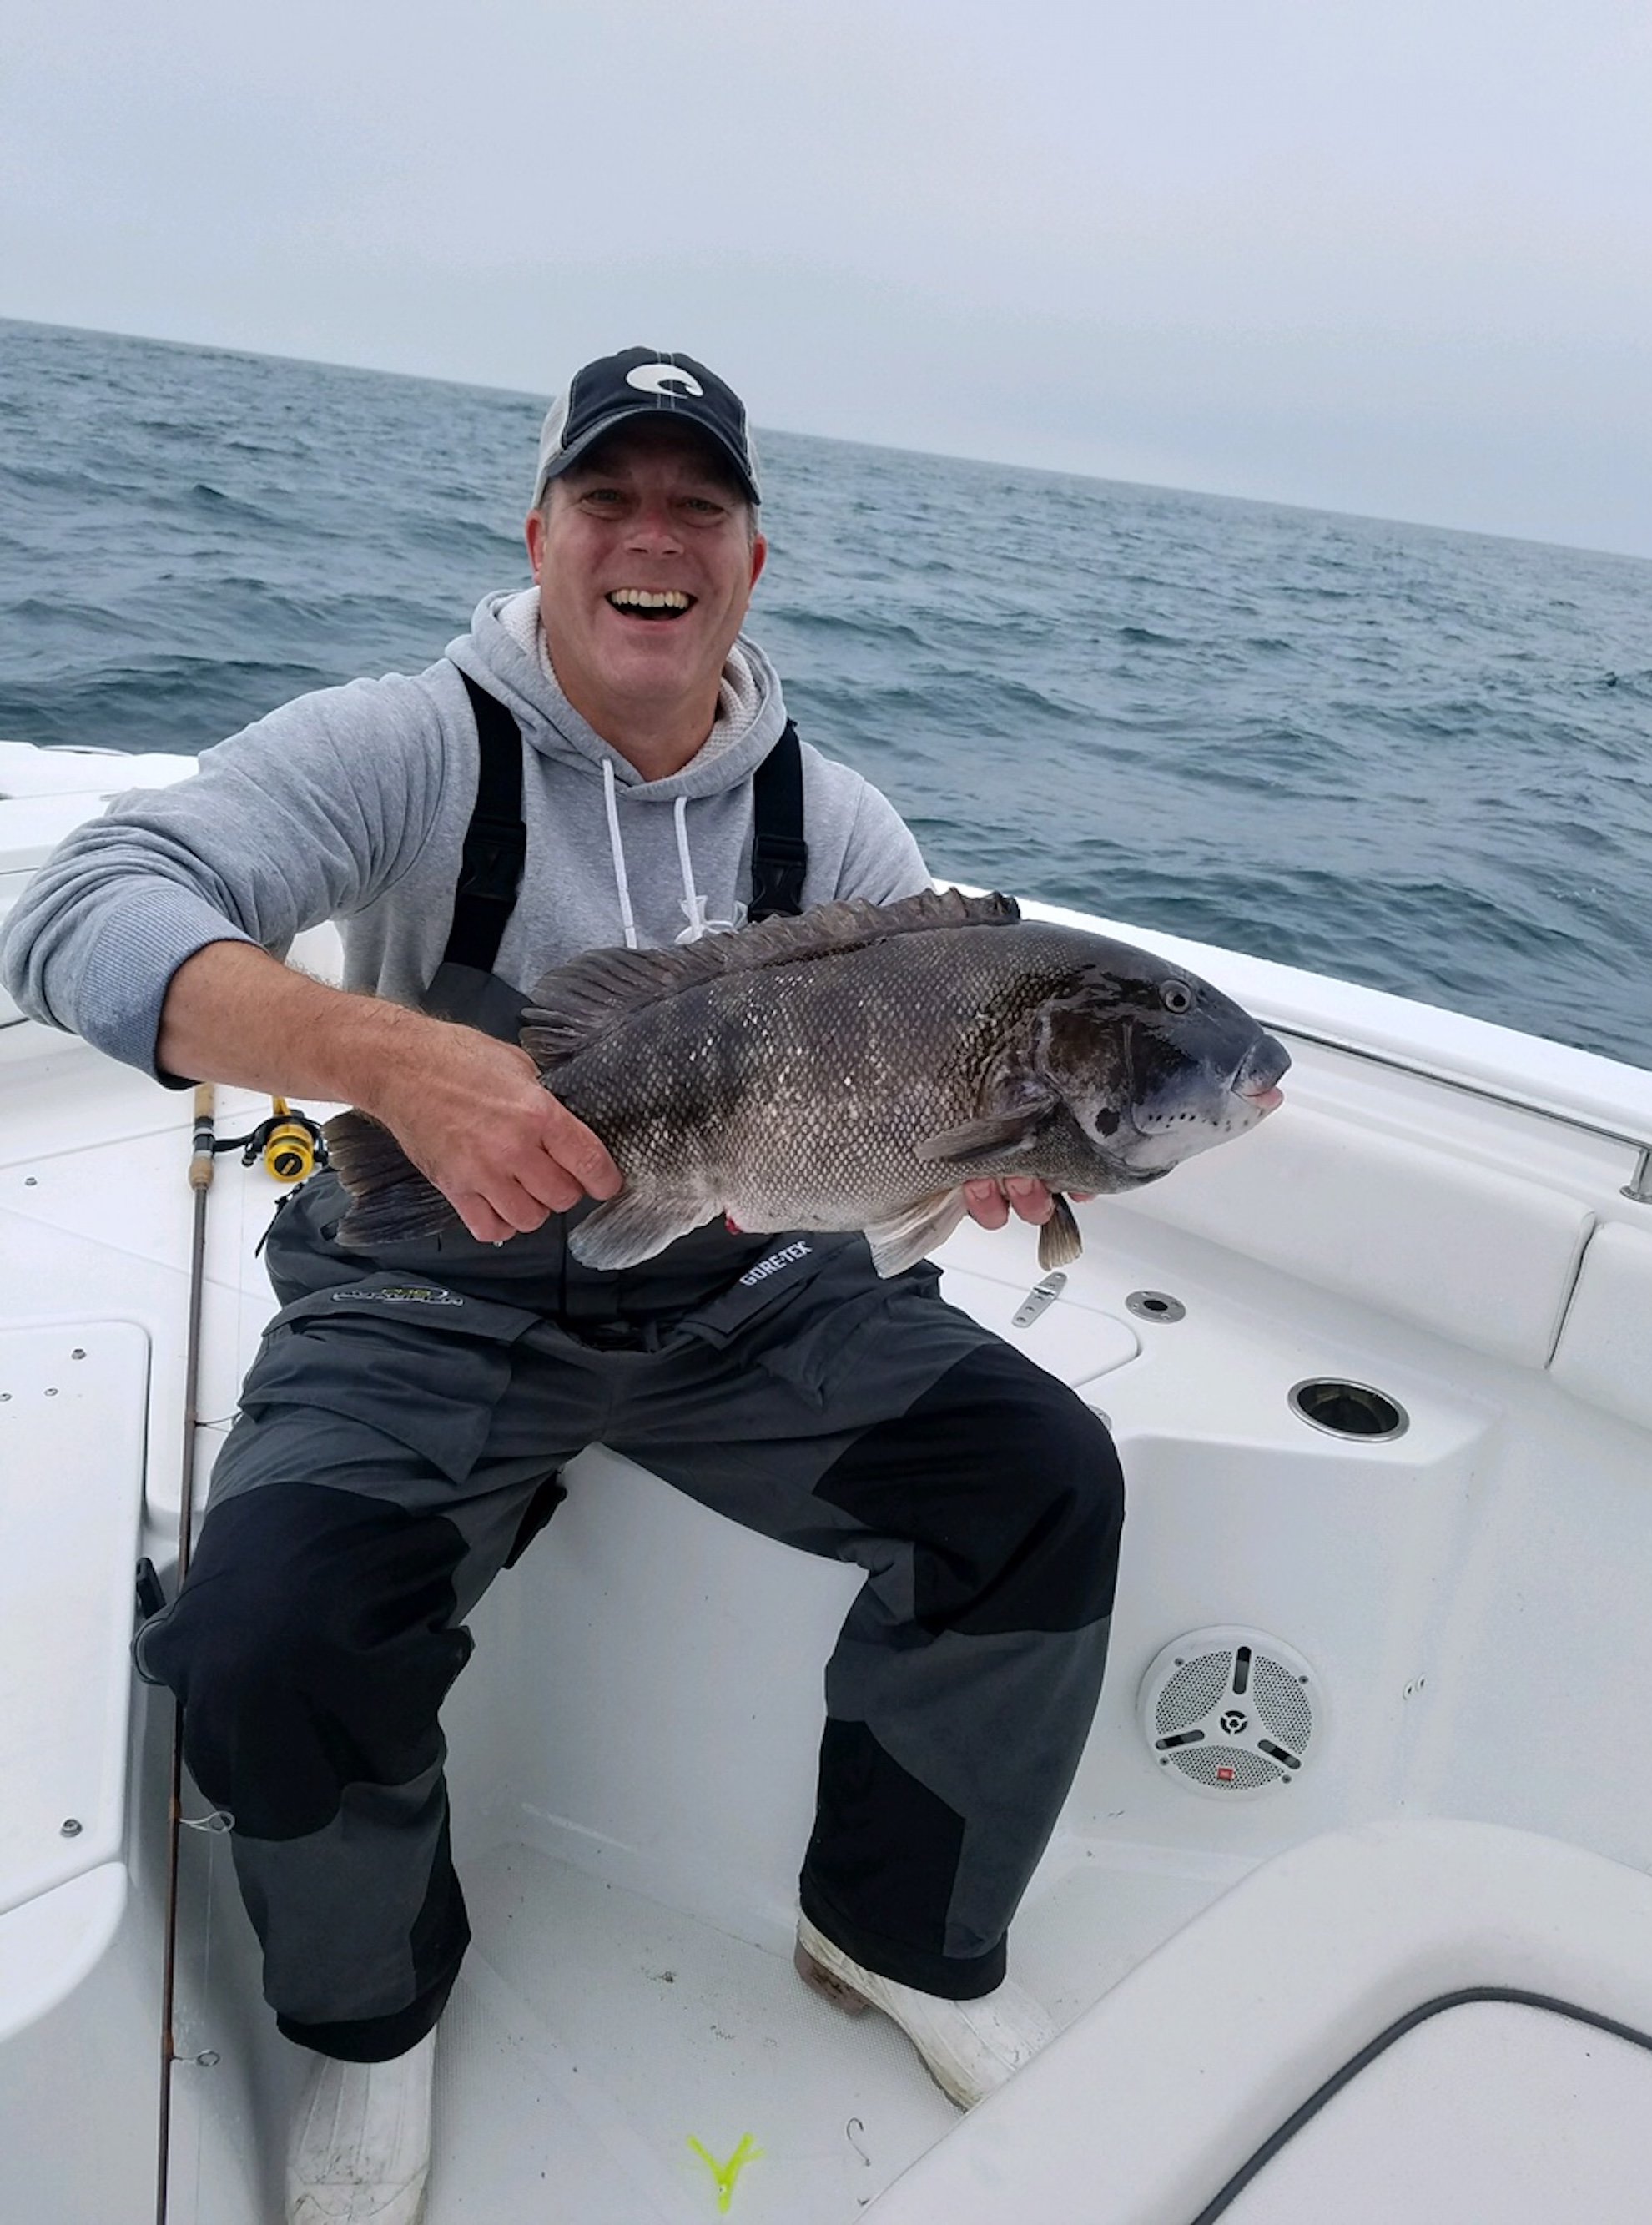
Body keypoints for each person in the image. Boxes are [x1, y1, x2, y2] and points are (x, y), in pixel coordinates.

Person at [0, 349, 1124, 2225]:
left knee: (1038, 1483)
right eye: (610, 499)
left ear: (753, 563)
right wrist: (386, 1059)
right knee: (266, 1637)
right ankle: (372, 2018)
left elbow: (911, 1120)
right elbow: (76, 909)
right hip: (428, 1283)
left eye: (698, 507)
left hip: (742, 1291)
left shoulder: (841, 830)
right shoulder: (410, 745)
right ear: (540, 539)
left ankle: (893, 1931)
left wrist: (966, 1164)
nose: (650, 540)